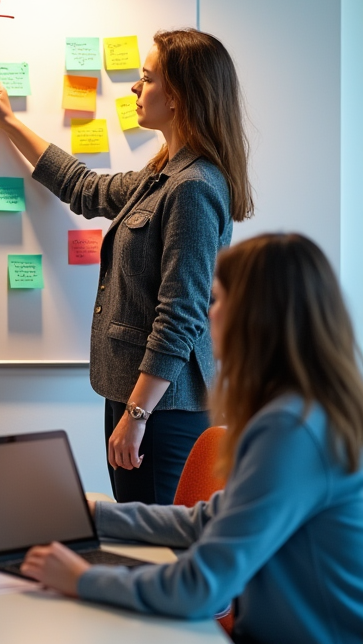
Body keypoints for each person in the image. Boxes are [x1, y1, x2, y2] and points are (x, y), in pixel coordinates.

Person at [19, 233, 363, 644]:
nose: (207, 312)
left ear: (257, 315)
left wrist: (82, 579)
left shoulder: (291, 430)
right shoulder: (306, 413)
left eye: (217, 300)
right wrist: (95, 516)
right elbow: (209, 519)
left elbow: (201, 588)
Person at [0, 28, 253, 505]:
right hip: (135, 397)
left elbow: (181, 313)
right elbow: (85, 187)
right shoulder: (163, 173)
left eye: (147, 78)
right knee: (139, 539)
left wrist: (136, 416)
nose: (136, 89)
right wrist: (9, 122)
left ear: (180, 96)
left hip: (163, 409)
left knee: (158, 549)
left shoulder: (193, 187)